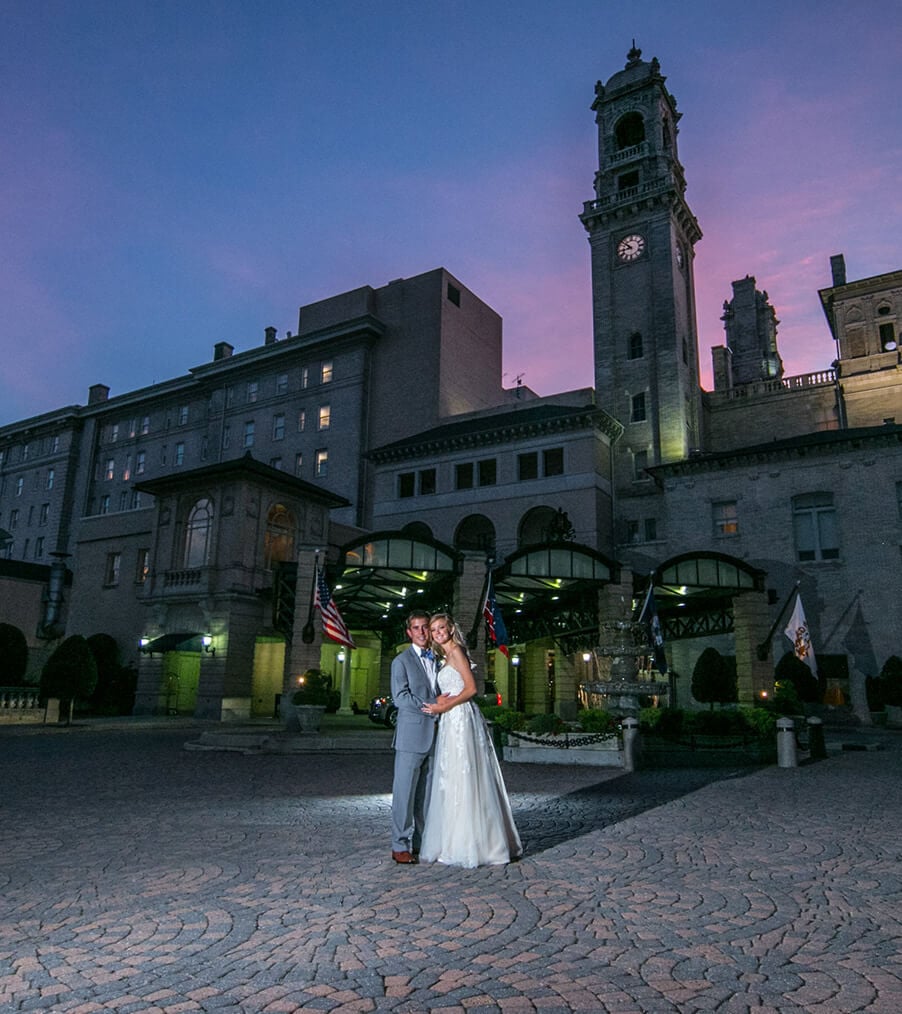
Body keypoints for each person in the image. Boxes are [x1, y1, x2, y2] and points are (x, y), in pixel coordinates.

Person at [419, 613, 522, 868]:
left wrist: (446, 707)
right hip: (451, 719)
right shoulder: (445, 656)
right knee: (451, 776)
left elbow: (472, 689)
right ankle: (454, 839)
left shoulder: (456, 652)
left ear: (451, 629)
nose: (438, 632)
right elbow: (454, 688)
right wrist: (442, 700)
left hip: (461, 718)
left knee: (466, 775)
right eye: (434, 630)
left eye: (442, 627)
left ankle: (478, 843)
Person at [389, 610, 442, 864]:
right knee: (404, 794)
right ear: (409, 632)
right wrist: (433, 705)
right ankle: (399, 845)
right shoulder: (401, 661)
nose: (421, 632)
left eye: (425, 627)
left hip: (436, 736)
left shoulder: (438, 659)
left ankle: (422, 843)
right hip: (411, 737)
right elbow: (401, 698)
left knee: (427, 796)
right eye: (416, 628)